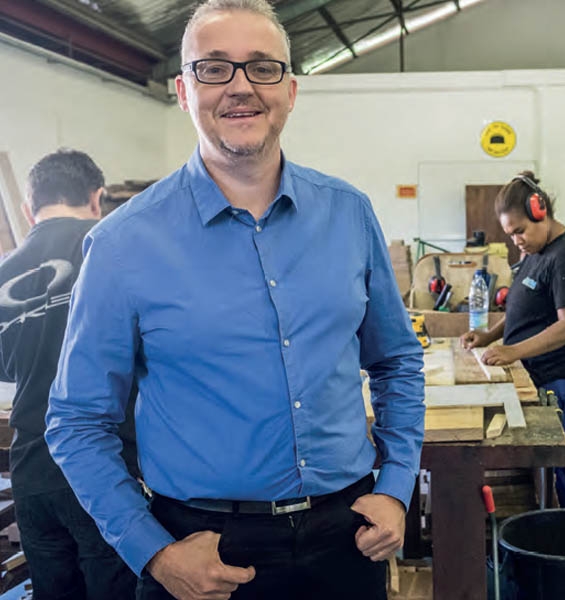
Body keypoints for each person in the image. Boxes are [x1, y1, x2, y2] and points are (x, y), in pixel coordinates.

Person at [45, 1, 425, 599]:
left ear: (292, 90)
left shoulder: (349, 215)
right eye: (214, 68)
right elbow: (75, 421)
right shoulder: (122, 244)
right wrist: (154, 553)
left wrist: (397, 484)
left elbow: (397, 361)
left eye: (262, 68)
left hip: (346, 541)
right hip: (202, 554)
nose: (241, 87)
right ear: (182, 89)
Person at [0, 149, 137, 599]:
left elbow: (6, 365)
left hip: (31, 472)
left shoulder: (4, 274)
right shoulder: (117, 246)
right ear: (96, 197)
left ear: (28, 208)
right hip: (104, 469)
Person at [460, 171, 565, 510]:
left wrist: (513, 351)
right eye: (510, 234)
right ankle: (558, 523)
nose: (516, 241)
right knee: (549, 464)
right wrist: (490, 335)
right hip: (536, 372)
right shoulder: (535, 251)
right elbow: (525, 308)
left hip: (563, 377)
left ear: (542, 213)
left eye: (520, 231)